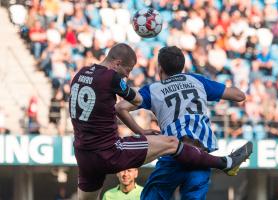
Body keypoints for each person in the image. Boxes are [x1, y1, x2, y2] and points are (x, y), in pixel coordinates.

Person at [69, 43, 252, 200]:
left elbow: (121, 107)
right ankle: (226, 162)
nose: (127, 76)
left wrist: (151, 110)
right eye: (128, 70)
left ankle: (227, 162)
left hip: (85, 154)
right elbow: (238, 95)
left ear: (159, 70)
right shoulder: (197, 81)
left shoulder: (81, 74)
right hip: (198, 154)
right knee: (173, 144)